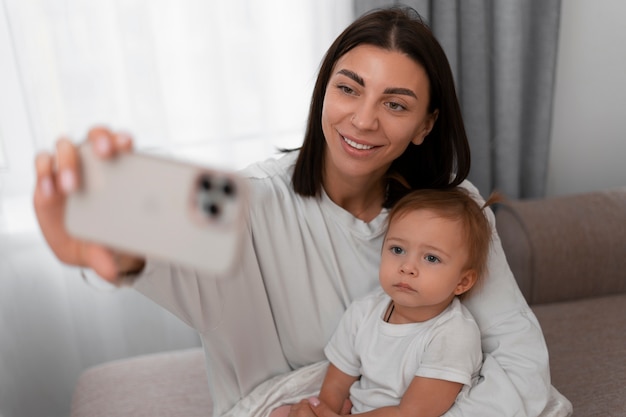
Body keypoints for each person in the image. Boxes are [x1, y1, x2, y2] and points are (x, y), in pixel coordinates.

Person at [33, 6, 556, 417]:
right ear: (323, 91)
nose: (364, 119)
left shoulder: (456, 208)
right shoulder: (252, 199)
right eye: (348, 89)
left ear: (424, 125)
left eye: (395, 104)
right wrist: (104, 236)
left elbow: (518, 357)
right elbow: (159, 248)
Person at [282, 188, 494, 417]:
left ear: (462, 282)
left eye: (431, 258)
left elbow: (411, 413)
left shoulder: (453, 335)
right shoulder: (364, 312)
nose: (407, 267)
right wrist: (322, 409)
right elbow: (336, 384)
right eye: (398, 249)